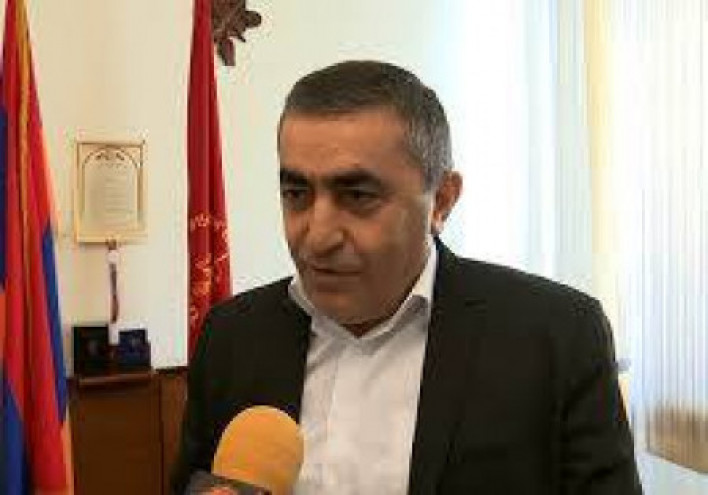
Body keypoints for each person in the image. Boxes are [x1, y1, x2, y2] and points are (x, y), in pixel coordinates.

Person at [172, 60, 642, 494]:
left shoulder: (555, 338)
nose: (317, 235)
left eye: (357, 195)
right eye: (296, 193)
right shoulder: (232, 339)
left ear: (442, 201)